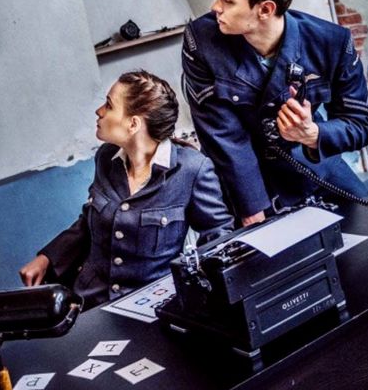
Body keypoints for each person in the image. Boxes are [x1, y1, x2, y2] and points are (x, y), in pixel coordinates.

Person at [182, 0, 368, 226]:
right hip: (247, 185)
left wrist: (312, 133)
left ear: (265, 9)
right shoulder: (202, 41)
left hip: (314, 169)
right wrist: (252, 212)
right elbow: (225, 137)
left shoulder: (331, 43)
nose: (215, 7)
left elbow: (361, 125)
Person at [19, 70, 233, 309]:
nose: (99, 111)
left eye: (109, 105)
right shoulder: (106, 157)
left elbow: (218, 236)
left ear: (133, 124)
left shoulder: (192, 169)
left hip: (153, 306)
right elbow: (90, 221)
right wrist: (48, 257)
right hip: (90, 302)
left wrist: (199, 297)